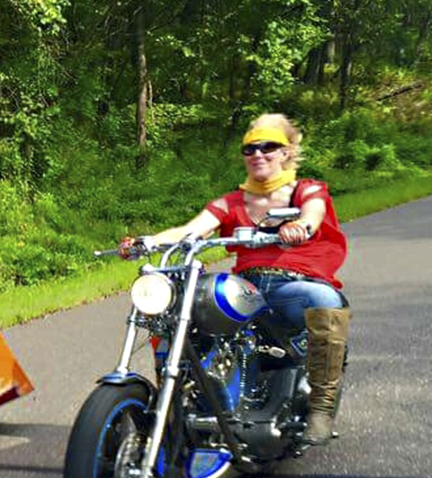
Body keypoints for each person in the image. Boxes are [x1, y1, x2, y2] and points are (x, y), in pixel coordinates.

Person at [120, 113, 350, 445]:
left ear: (286, 152)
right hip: (249, 287)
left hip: (293, 285)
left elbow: (313, 213)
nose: (258, 154)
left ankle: (321, 408)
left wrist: (302, 227)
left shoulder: (307, 189)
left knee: (325, 300)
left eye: (269, 146)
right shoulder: (231, 202)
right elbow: (190, 230)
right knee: (178, 307)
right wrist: (149, 242)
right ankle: (182, 402)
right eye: (250, 148)